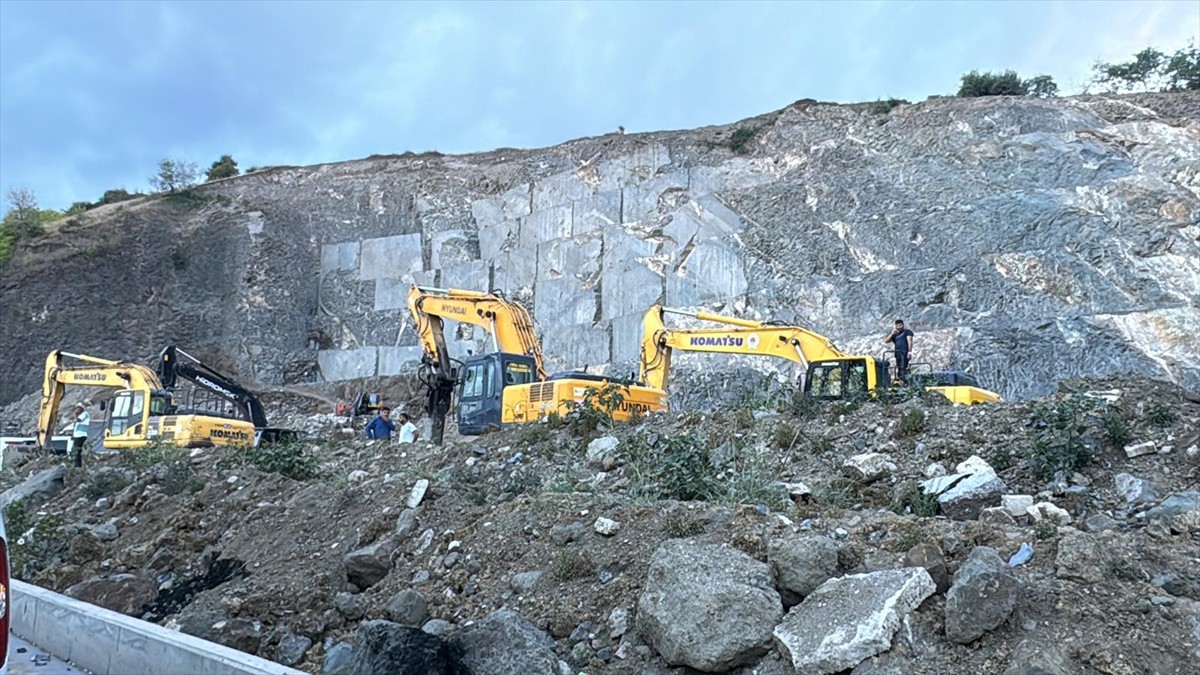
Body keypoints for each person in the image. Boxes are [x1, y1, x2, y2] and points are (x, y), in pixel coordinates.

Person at [62, 403, 90, 468]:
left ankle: (77, 466)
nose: (77, 410)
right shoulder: (80, 415)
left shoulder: (85, 414)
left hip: (81, 435)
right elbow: (75, 426)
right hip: (77, 435)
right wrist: (73, 435)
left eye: (79, 408)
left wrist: (75, 416)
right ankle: (77, 465)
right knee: (77, 451)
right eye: (77, 408)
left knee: (76, 450)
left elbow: (78, 420)